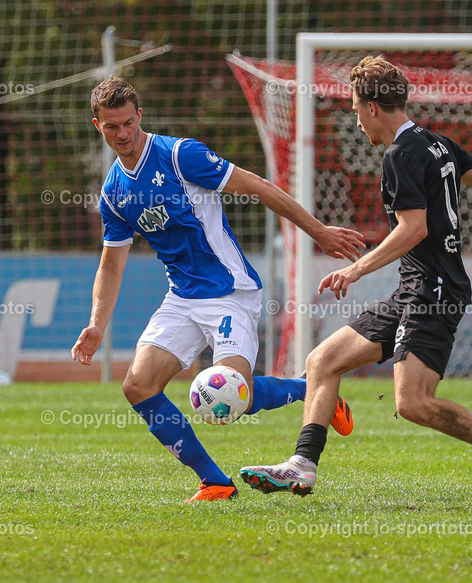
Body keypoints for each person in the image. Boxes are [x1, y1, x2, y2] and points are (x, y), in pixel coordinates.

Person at [240, 56, 472, 510]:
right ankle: (302, 464)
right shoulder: (437, 144)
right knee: (322, 361)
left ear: (370, 108)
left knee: (413, 403)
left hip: (435, 291)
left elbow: (414, 229)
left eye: (354, 110)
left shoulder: (399, 156)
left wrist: (356, 268)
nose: (356, 120)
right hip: (415, 288)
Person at [72, 77, 364, 502]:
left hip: (229, 291)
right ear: (98, 125)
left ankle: (311, 388)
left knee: (233, 391)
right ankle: (215, 481)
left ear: (140, 116)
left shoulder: (179, 156)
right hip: (181, 298)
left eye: (128, 123)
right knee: (138, 386)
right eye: (112, 126)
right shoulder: (114, 193)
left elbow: (259, 187)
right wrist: (97, 324)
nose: (122, 134)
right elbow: (111, 262)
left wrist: (317, 231)